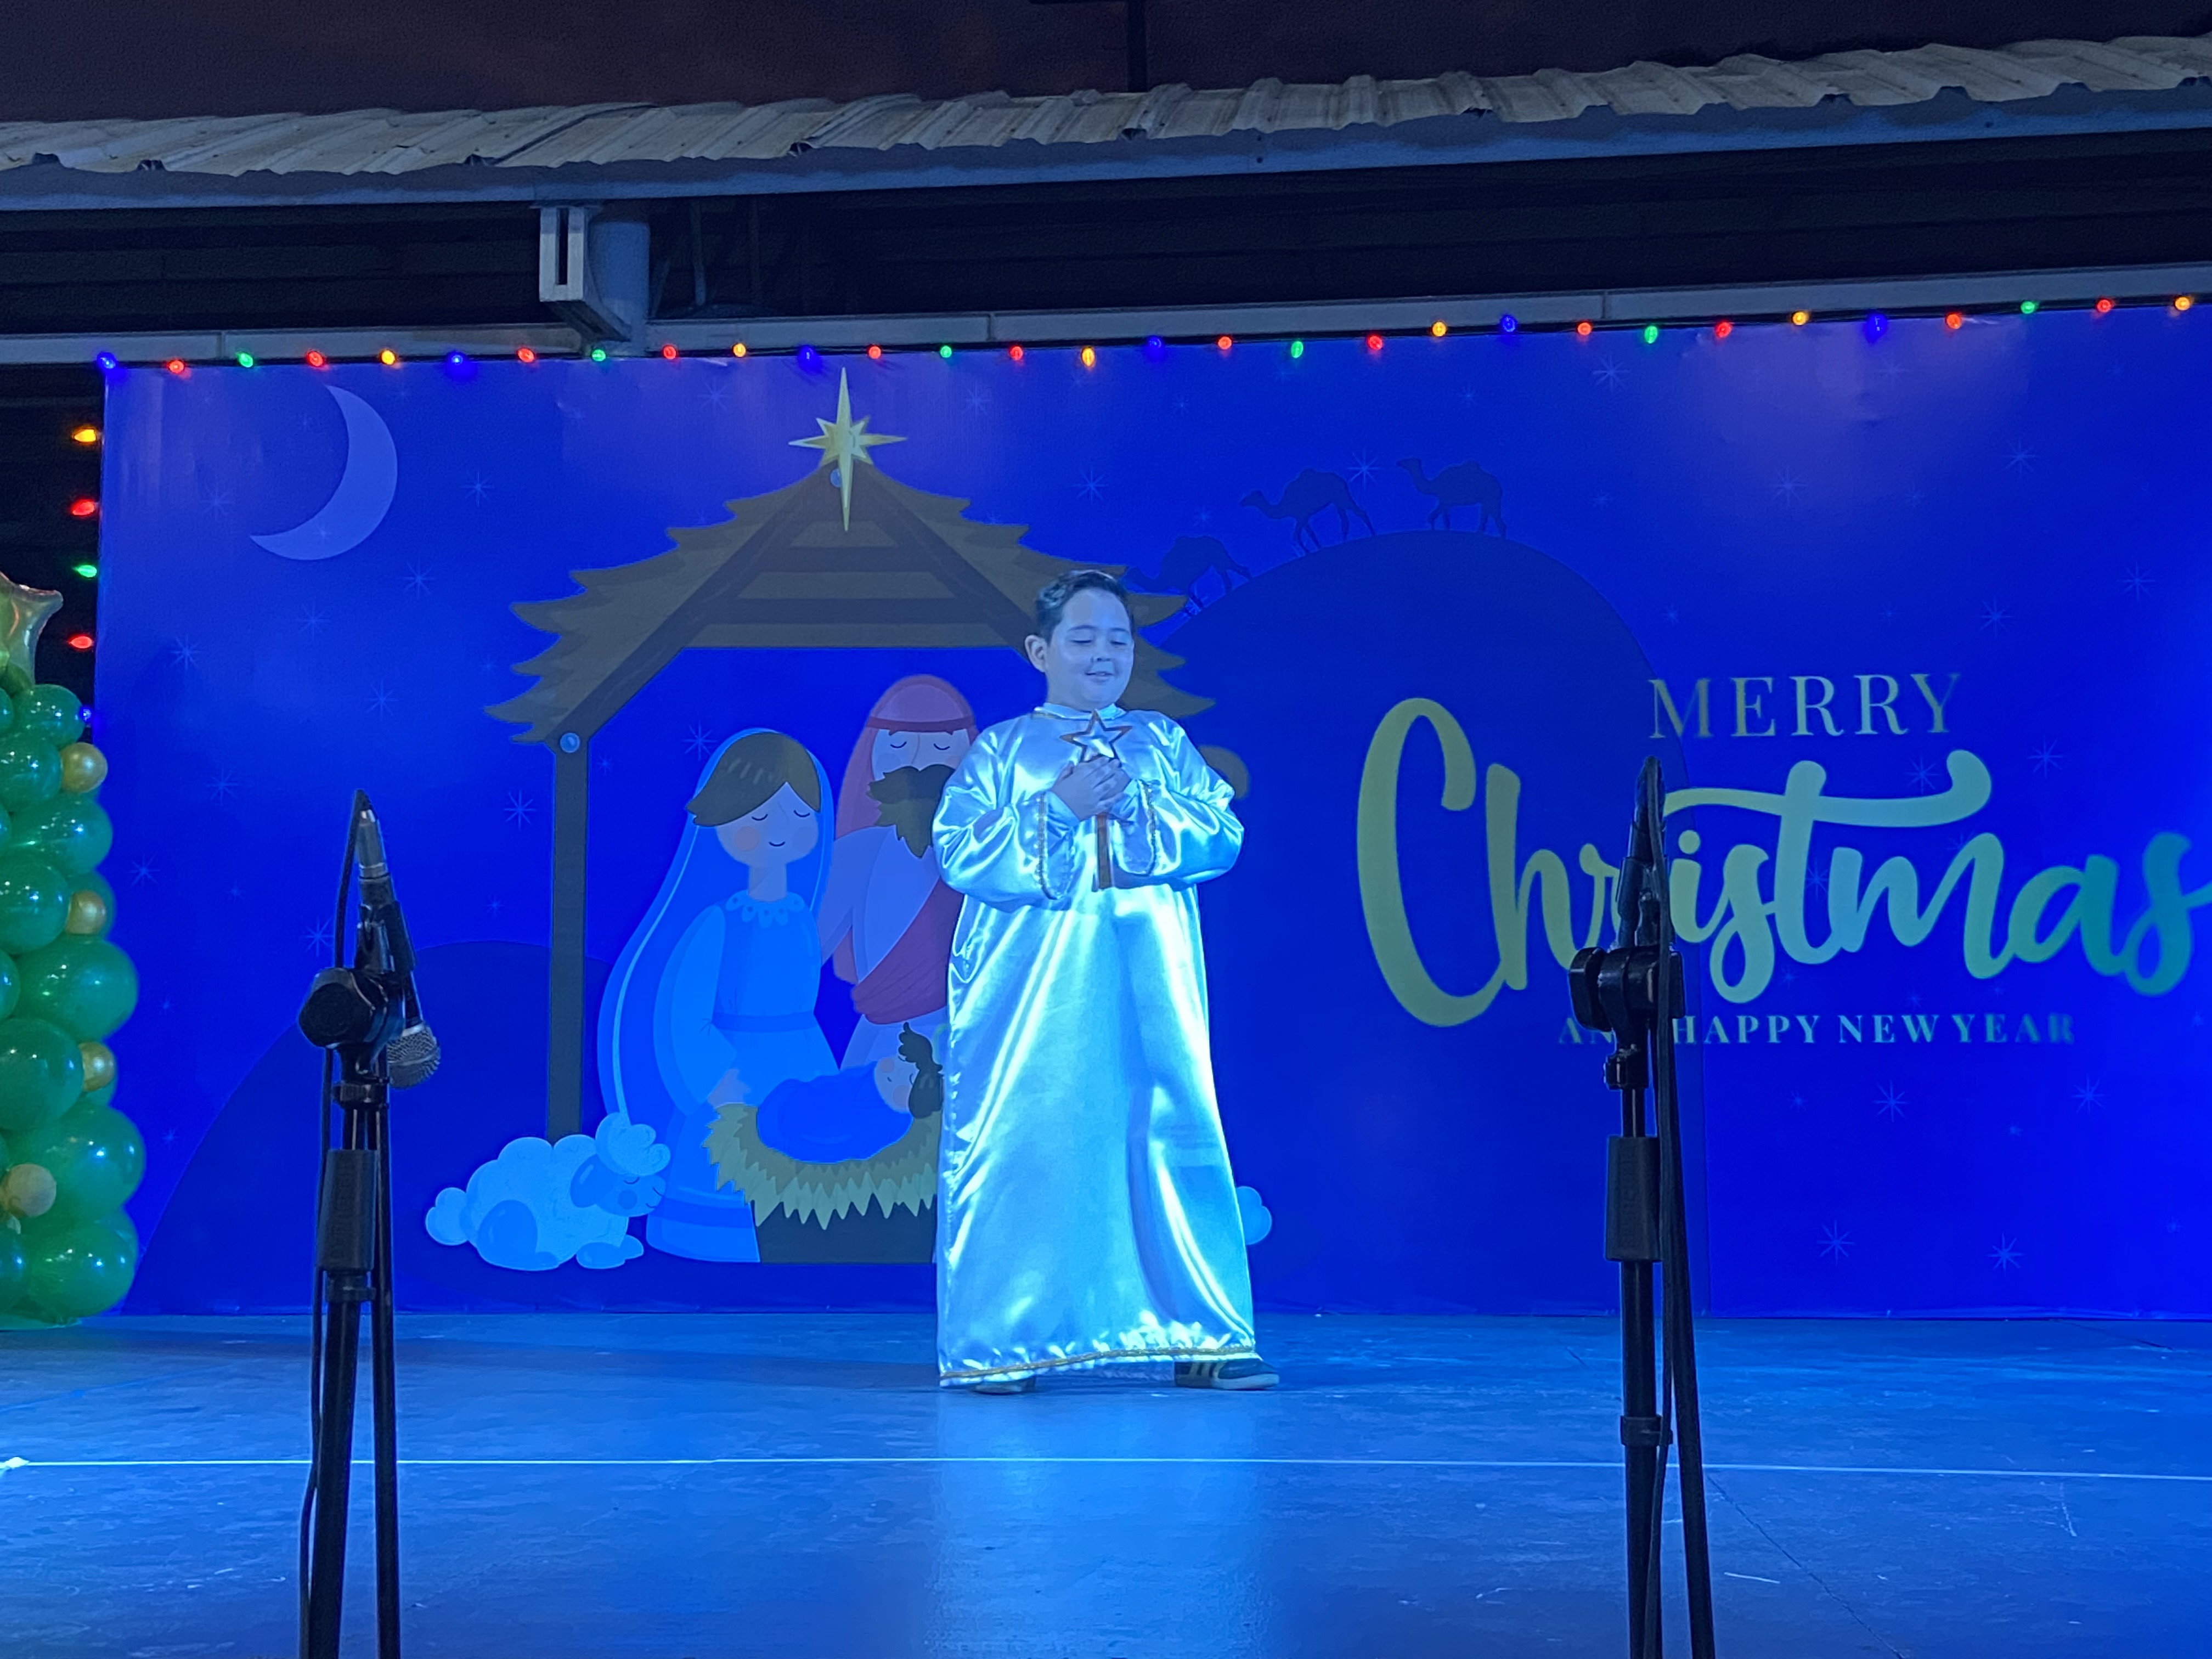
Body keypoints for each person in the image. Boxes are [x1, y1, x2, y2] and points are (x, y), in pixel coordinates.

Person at [930, 569, 1276, 1392]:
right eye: (1083, 638)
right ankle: (1007, 1341)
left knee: (1166, 1132)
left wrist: (1137, 810)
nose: (1103, 654)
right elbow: (959, 853)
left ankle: (1204, 1332)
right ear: (1040, 651)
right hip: (1033, 1004)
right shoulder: (1004, 751)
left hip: (1148, 994)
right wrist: (1060, 807)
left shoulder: (1160, 742)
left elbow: (1222, 833)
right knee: (1028, 1143)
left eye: (1118, 639)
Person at [597, 729, 837, 1262]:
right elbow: (682, 1014)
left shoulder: (802, 915)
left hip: (804, 1063)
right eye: (760, 815)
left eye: (799, 815)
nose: (780, 831)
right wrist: (715, 1079)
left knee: (806, 1180)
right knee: (737, 1175)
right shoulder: (719, 922)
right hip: (741, 1074)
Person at [818, 675, 977, 1068]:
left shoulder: (989, 851)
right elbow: (808, 953)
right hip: (883, 1051)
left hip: (975, 1043)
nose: (919, 762)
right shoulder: (858, 853)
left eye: (943, 746)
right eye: (899, 745)